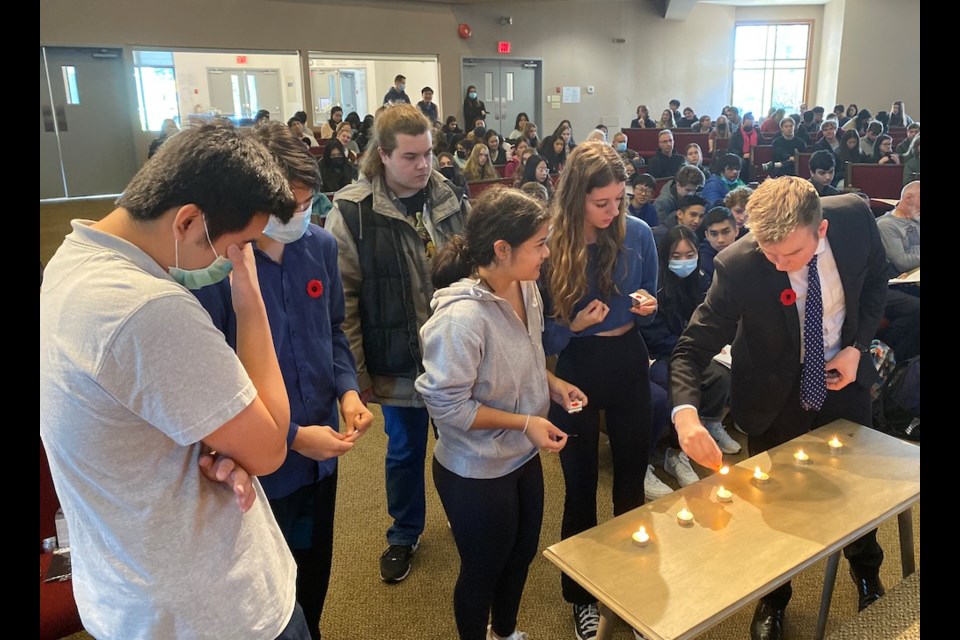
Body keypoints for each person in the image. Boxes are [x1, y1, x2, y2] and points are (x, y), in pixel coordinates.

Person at [40, 123, 312, 639]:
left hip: (131, 592)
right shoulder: (147, 307)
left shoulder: (71, 258)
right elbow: (271, 447)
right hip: (212, 611)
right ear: (188, 221)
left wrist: (221, 446)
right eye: (238, 245)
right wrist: (250, 298)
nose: (237, 258)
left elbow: (136, 416)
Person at [671, 177, 889, 640]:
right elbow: (691, 348)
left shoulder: (854, 218)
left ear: (821, 229)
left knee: (858, 492)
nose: (778, 264)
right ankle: (774, 599)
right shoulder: (740, 265)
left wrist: (856, 346)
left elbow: (875, 282)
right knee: (773, 507)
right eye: (769, 253)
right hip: (772, 395)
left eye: (790, 255)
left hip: (842, 381)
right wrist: (686, 415)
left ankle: (867, 573)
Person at [194, 122, 374, 640]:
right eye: (287, 206)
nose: (300, 215)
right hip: (259, 467)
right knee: (270, 587)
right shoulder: (217, 272)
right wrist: (293, 436)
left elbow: (333, 330)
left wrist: (346, 390)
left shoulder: (318, 246)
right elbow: (216, 387)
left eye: (307, 202)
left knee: (317, 566)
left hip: (323, 452)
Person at [416, 186, 581, 640]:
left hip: (521, 457)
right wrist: (525, 422)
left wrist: (553, 383)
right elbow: (449, 406)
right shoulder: (460, 320)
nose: (547, 253)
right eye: (539, 244)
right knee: (482, 569)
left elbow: (528, 356)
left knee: (521, 554)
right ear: (502, 249)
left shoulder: (525, 287)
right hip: (476, 470)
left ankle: (504, 633)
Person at [325, 103, 469, 583]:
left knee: (458, 442)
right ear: (382, 155)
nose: (424, 165)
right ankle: (404, 533)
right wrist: (357, 376)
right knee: (405, 451)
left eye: (428, 153)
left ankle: (462, 516)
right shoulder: (352, 212)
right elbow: (342, 304)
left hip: (453, 356)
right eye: (410, 156)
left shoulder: (448, 197)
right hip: (397, 362)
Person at [540, 141, 658, 640]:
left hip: (628, 359)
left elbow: (653, 295)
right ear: (576, 199)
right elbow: (539, 336)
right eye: (602, 203)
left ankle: (626, 585)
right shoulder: (550, 242)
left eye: (619, 200)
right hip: (578, 368)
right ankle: (581, 597)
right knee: (580, 485)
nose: (614, 211)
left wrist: (649, 307)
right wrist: (572, 325)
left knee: (630, 482)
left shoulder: (639, 233)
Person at [640, 226, 737, 482]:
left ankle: (707, 424)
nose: (684, 261)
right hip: (660, 354)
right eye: (677, 255)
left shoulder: (703, 278)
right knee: (675, 386)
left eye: (689, 254)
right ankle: (669, 453)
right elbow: (653, 335)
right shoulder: (656, 284)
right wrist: (687, 348)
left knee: (720, 375)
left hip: (691, 348)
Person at [876, 181, 920, 274]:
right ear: (908, 198)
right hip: (907, 281)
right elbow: (902, 263)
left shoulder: (916, 218)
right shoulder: (886, 225)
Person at [697, 206, 738, 294]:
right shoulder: (700, 262)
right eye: (714, 234)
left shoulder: (749, 254)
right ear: (707, 235)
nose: (720, 240)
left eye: (725, 232)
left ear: (736, 231)